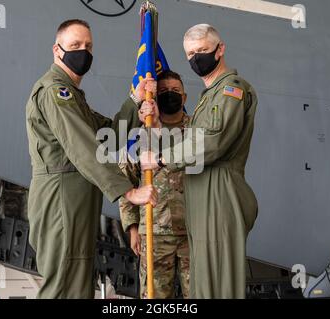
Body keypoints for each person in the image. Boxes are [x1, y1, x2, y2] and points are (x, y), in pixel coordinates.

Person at [25, 19, 157, 299]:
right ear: (56, 50)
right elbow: (82, 146)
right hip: (62, 201)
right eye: (75, 46)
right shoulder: (54, 92)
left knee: (77, 285)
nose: (82, 51)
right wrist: (128, 191)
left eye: (88, 46)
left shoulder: (71, 95)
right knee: (64, 286)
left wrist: (134, 100)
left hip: (76, 201)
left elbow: (107, 136)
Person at [140, 24, 258, 299]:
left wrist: (160, 158)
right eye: (190, 54)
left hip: (218, 191)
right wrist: (156, 124)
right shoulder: (211, 96)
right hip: (202, 192)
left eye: (203, 51)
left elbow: (211, 141)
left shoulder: (231, 91)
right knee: (205, 285)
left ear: (220, 49)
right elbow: (189, 143)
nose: (196, 58)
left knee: (219, 283)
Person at [119, 71, 190, 299]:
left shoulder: (196, 131)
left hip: (193, 232)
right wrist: (132, 228)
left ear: (185, 97)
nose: (170, 94)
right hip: (155, 232)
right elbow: (125, 183)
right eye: (164, 91)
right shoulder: (140, 135)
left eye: (176, 91)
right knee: (155, 297)